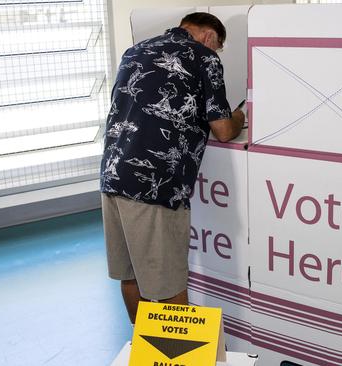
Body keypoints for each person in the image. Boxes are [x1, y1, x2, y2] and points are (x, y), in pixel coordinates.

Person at [99, 12, 244, 324]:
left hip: (112, 175)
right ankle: (177, 356)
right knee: (169, 286)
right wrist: (241, 116)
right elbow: (223, 129)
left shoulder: (135, 51)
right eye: (218, 46)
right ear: (209, 36)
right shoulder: (203, 57)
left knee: (131, 274)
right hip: (155, 184)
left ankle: (145, 349)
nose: (216, 51)